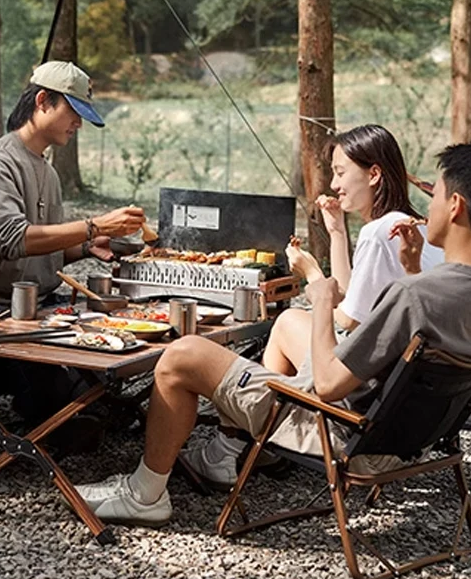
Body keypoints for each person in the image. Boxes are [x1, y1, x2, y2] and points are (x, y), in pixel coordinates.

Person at [73, 142, 471, 527]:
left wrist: (320, 295)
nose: (428, 205)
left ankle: (145, 494)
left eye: (435, 194)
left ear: (455, 206)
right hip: (408, 437)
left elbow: (327, 385)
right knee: (289, 325)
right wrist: (409, 267)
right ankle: (237, 451)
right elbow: (430, 326)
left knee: (182, 354)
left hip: (337, 429)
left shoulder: (414, 297)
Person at [185, 124, 444, 488]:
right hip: (407, 406)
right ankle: (252, 448)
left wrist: (311, 276)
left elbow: (348, 319)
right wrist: (337, 232)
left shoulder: (379, 233)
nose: (334, 184)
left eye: (340, 172)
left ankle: (240, 445)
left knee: (286, 322)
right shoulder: (418, 230)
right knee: (294, 320)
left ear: (373, 174)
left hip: (366, 396)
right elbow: (352, 297)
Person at [0, 61, 146, 303]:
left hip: (38, 301)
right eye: (74, 111)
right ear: (43, 100)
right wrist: (96, 226)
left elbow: (37, 253)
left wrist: (86, 246)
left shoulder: (49, 172)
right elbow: (14, 241)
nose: (79, 123)